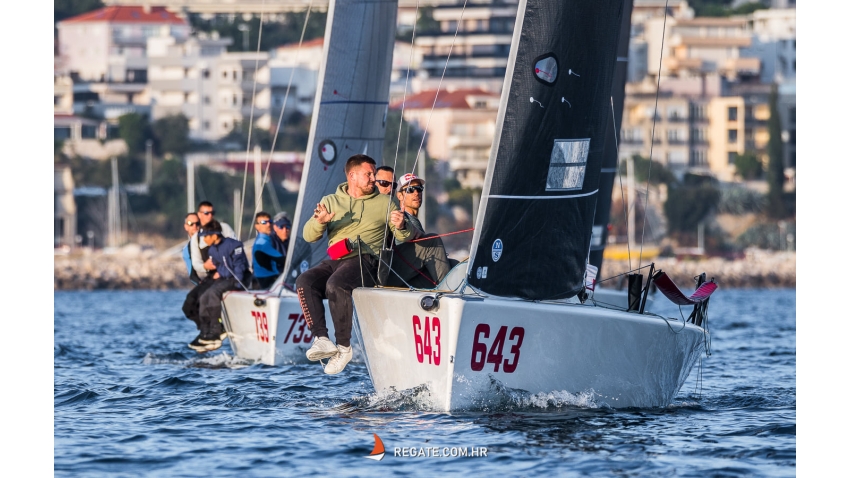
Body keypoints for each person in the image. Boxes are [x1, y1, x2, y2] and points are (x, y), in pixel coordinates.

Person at [296, 154, 411, 374]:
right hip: (336, 259)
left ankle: (344, 347)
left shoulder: (386, 202)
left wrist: (402, 224)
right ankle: (322, 339)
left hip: (367, 260)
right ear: (352, 175)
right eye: (368, 174)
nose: (373, 179)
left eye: (373, 174)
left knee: (335, 285)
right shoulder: (330, 201)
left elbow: (403, 236)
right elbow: (309, 236)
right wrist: (320, 223)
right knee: (305, 281)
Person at [380, 173, 452, 288]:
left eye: (419, 189)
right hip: (395, 274)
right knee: (433, 240)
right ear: (400, 196)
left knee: (455, 266)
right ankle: (448, 292)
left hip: (411, 272)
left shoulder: (413, 219)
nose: (416, 193)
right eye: (410, 189)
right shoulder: (400, 218)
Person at [189, 220, 251, 353]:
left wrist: (229, 277)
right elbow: (221, 267)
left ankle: (217, 330)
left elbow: (239, 269)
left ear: (214, 235)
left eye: (206, 236)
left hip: (239, 280)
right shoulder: (212, 250)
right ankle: (206, 331)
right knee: (203, 296)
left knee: (213, 293)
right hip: (226, 278)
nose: (204, 240)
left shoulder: (234, 245)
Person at [182, 201, 236, 348]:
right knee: (189, 304)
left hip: (226, 273)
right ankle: (206, 331)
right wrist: (205, 268)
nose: (210, 216)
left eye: (212, 213)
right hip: (209, 275)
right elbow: (195, 267)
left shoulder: (223, 228)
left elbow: (235, 249)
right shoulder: (195, 240)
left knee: (206, 296)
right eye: (206, 213)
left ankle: (215, 329)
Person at [251, 211, 286, 289]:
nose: (268, 224)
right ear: (257, 226)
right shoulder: (262, 243)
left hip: (264, 279)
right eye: (264, 222)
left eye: (270, 221)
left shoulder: (266, 240)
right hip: (265, 281)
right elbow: (283, 260)